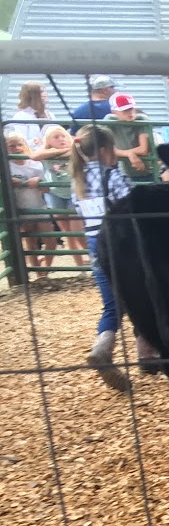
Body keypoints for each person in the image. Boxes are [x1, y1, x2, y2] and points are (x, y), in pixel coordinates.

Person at [71, 124, 133, 391]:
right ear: (107, 150)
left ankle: (102, 347)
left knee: (111, 304)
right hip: (120, 242)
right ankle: (149, 353)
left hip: (95, 244)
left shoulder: (77, 181)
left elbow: (80, 213)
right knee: (140, 293)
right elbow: (132, 205)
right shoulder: (113, 176)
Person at [32, 124, 89, 268]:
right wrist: (56, 151)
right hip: (55, 194)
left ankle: (94, 258)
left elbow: (79, 150)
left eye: (64, 136)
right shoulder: (46, 154)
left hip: (73, 193)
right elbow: (34, 156)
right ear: (48, 142)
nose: (61, 139)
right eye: (56, 137)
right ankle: (80, 266)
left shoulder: (75, 151)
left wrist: (62, 150)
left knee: (77, 231)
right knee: (67, 232)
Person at [6, 133, 54, 277]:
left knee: (51, 241)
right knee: (30, 243)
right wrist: (9, 181)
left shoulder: (35, 164)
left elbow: (46, 189)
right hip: (21, 209)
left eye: (20, 144)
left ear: (26, 146)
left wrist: (39, 181)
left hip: (39, 206)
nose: (17, 148)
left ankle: (44, 269)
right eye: (12, 146)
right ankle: (39, 274)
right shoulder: (6, 166)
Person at [105, 92, 155, 180]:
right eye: (125, 110)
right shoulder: (109, 121)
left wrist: (124, 153)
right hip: (124, 173)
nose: (130, 113)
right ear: (114, 112)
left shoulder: (141, 119)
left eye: (131, 108)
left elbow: (143, 150)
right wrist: (129, 154)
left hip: (148, 172)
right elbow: (105, 149)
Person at [6, 81, 50, 149]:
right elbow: (20, 142)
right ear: (30, 96)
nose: (45, 95)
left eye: (44, 91)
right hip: (31, 153)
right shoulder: (21, 116)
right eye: (41, 92)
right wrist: (35, 141)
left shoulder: (49, 114)